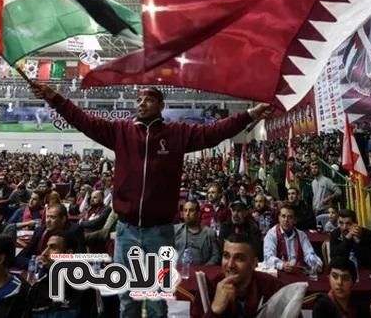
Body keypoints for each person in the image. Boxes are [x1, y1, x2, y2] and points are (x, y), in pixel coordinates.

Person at [29, 81, 271, 318]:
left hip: (160, 232)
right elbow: (83, 120)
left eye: (149, 100)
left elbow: (214, 132)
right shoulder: (120, 131)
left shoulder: (177, 133)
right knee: (126, 299)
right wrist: (55, 98)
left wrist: (249, 114)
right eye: (139, 100)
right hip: (126, 231)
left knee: (156, 300)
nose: (142, 103)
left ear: (161, 105)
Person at [191, 233, 283, 318]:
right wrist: (215, 310)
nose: (230, 265)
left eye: (239, 258)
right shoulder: (209, 288)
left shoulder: (272, 288)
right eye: (226, 256)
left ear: (254, 263)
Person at [15, 203, 85, 267]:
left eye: (52, 217)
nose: (48, 221)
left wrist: (53, 264)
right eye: (47, 217)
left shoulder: (74, 230)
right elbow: (20, 258)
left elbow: (80, 259)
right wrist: (36, 262)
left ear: (63, 219)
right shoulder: (40, 231)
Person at [263, 203, 323, 273]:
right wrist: (282, 265)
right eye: (283, 216)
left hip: (298, 272)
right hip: (280, 272)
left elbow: (309, 254)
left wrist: (316, 264)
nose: (286, 220)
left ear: (295, 220)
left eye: (290, 217)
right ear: (279, 218)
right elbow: (268, 257)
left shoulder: (301, 235)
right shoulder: (272, 234)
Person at [174, 200, 220, 265]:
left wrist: (204, 269)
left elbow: (216, 256)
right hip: (178, 268)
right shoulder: (175, 230)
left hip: (201, 269)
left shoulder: (210, 233)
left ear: (198, 214)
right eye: (185, 210)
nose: (187, 214)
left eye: (191, 210)